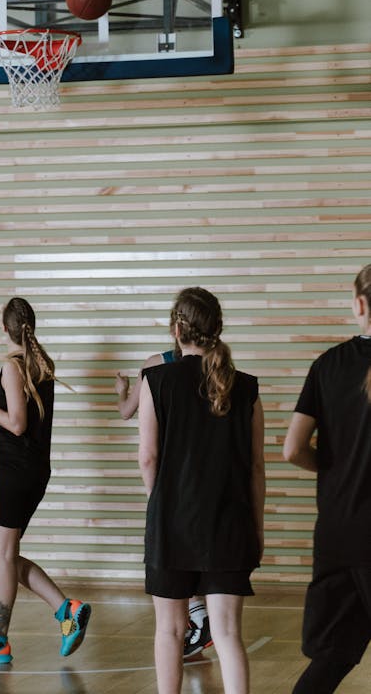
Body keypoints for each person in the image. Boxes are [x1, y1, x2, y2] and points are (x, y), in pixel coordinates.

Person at [138, 287, 265, 694]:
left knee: (170, 632)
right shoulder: (246, 387)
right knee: (227, 634)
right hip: (230, 522)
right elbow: (256, 467)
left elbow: (148, 459)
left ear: (177, 329)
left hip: (171, 523)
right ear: (219, 329)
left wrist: (161, 506)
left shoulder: (155, 380)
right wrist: (257, 528)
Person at [0, 297, 91, 666]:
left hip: (15, 470)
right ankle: (65, 607)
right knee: (1, 554)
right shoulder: (41, 361)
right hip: (34, 470)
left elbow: (18, 423)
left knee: (2, 554)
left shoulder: (12, 366)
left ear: (2, 325)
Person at [283, 265, 371, 693]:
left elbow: (292, 448)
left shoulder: (327, 365)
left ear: (359, 304)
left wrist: (335, 468)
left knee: (333, 655)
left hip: (337, 534)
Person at [116, 347, 212, 659]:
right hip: (205, 475)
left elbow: (126, 411)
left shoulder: (155, 366)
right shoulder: (216, 365)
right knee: (196, 554)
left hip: (168, 476)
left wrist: (123, 391)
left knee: (172, 564)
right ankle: (199, 621)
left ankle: (196, 621)